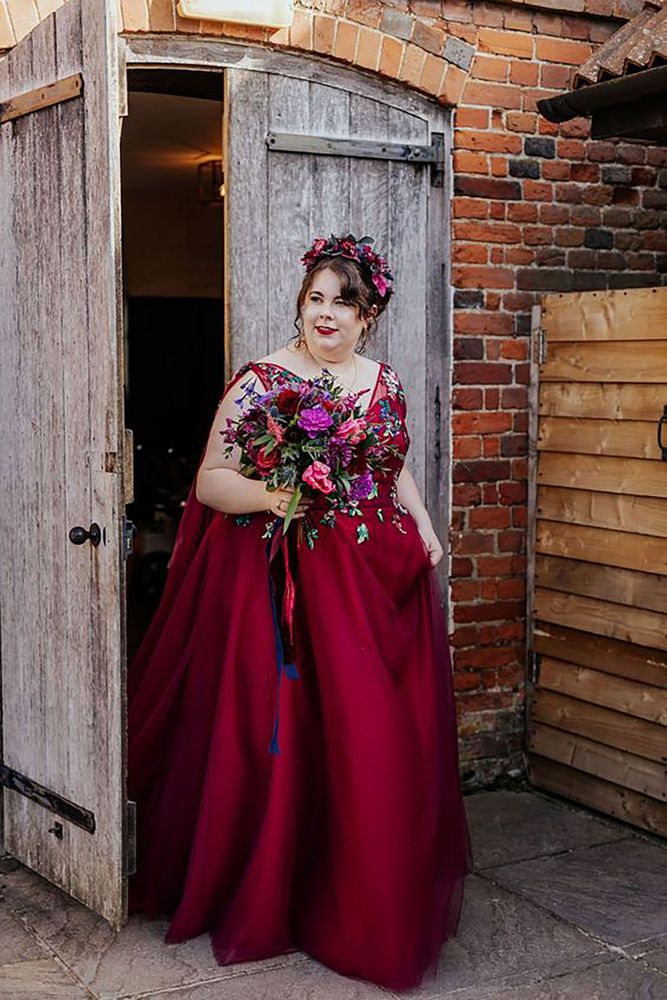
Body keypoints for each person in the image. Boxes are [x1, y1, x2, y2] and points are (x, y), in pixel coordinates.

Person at [127, 233, 471, 992]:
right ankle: (277, 892)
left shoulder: (382, 381)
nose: (326, 314)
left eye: (342, 302)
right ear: (300, 303)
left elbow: (390, 463)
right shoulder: (260, 382)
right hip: (282, 592)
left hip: (377, 586)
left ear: (368, 314)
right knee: (288, 739)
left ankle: (359, 891)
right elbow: (213, 482)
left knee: (371, 740)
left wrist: (420, 522)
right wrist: (276, 495)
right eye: (315, 298)